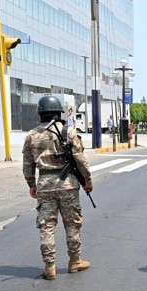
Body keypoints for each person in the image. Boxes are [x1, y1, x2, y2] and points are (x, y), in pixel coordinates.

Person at [22, 96, 93, 280]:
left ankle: (49, 266)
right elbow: (80, 159)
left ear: (40, 113)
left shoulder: (31, 135)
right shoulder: (67, 131)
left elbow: (27, 164)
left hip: (44, 184)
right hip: (68, 184)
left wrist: (31, 184)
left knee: (47, 226)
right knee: (72, 224)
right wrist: (87, 179)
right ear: (58, 112)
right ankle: (75, 261)